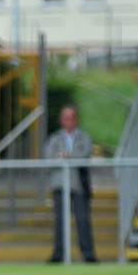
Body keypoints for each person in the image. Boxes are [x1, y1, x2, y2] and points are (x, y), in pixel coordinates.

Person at [44, 104, 98, 263]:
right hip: (60, 185)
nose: (69, 121)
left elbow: (84, 156)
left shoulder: (84, 138)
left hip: (78, 185)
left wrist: (66, 158)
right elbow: (50, 159)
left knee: (82, 220)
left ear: (77, 120)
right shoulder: (55, 139)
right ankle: (58, 253)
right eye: (66, 118)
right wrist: (70, 158)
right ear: (61, 120)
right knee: (60, 221)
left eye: (72, 117)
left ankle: (88, 253)